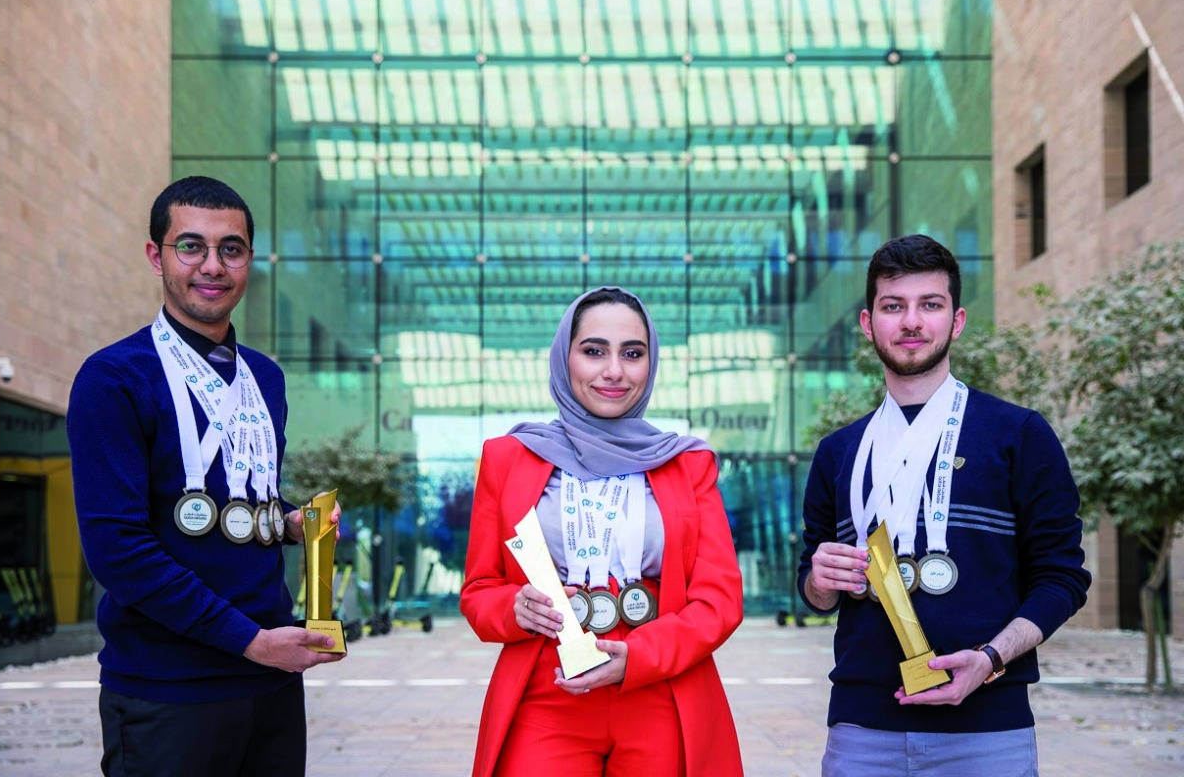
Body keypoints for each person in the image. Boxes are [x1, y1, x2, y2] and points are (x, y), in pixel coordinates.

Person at [67, 176, 345, 777]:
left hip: (271, 683)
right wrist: (250, 640)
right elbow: (118, 550)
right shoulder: (113, 378)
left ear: (250, 260)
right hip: (169, 690)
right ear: (156, 256)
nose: (213, 266)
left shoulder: (264, 378)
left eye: (231, 249)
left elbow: (242, 494)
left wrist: (290, 522)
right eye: (191, 246)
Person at [797, 234, 1091, 776]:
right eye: (893, 306)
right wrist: (819, 580)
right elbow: (815, 593)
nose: (911, 322)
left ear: (956, 321)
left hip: (988, 733)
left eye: (929, 304)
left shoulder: (1020, 435)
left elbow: (1063, 578)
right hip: (861, 732)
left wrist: (991, 659)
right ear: (868, 323)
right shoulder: (838, 453)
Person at [460, 286, 744, 776]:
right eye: (594, 351)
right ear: (563, 358)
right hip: (548, 690)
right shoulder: (508, 458)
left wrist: (639, 657)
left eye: (632, 354)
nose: (614, 371)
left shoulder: (688, 463)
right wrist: (514, 608)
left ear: (651, 364)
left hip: (659, 686)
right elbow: (479, 590)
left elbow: (719, 599)